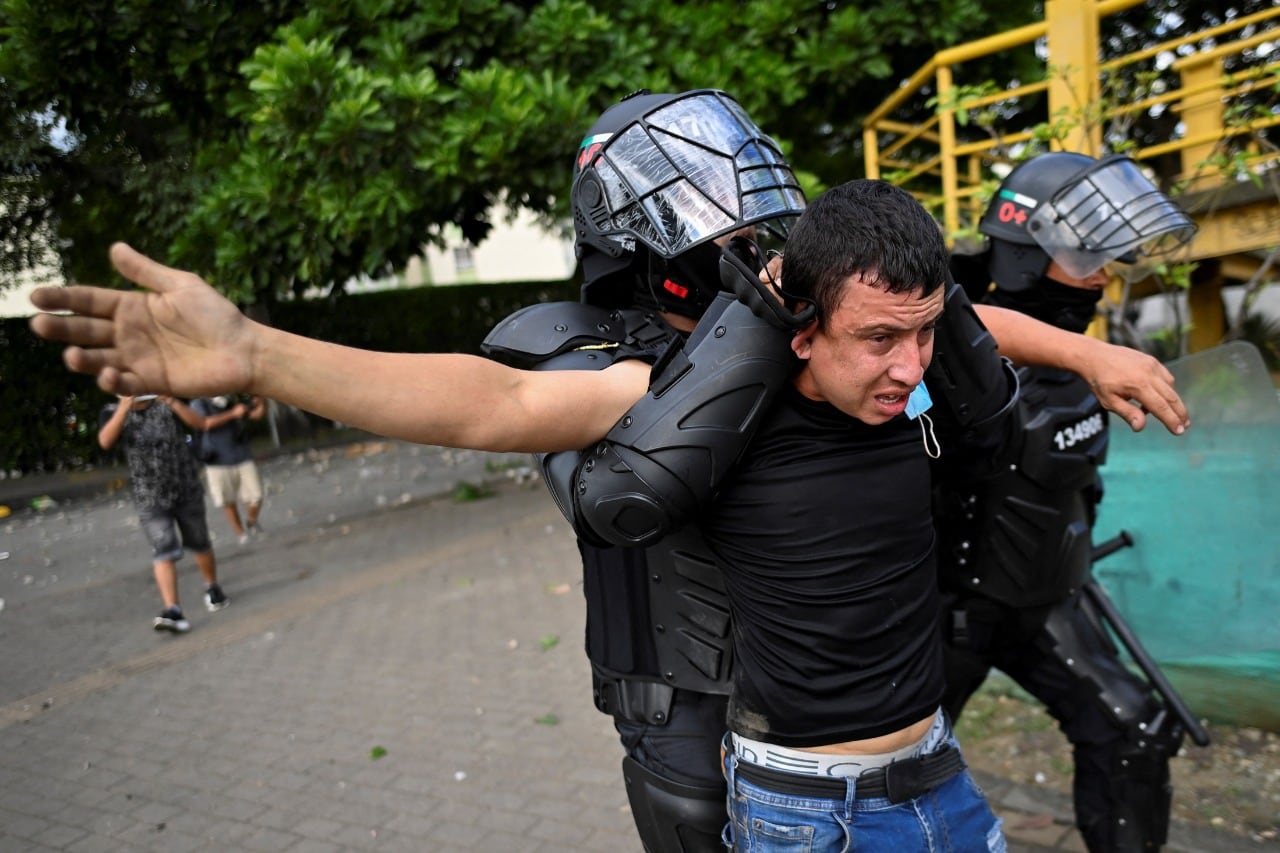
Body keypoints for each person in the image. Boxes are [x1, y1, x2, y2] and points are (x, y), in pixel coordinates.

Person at [29, 121, 1192, 852]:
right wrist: (256, 353)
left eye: (917, 338)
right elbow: (490, 403)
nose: (906, 362)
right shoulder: (686, 387)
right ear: (801, 324)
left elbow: (954, 314)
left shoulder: (908, 343)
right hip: (796, 804)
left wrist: (1091, 351)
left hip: (939, 781)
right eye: (877, 337)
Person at [935, 151, 1202, 853]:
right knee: (889, 771)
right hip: (943, 610)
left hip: (1047, 596)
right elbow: (949, 324)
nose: (1102, 274)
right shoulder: (940, 340)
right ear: (1025, 257)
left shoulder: (1095, 364)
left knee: (1132, 732)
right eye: (1085, 257)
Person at [97, 394, 230, 633]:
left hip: (185, 487)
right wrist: (124, 407)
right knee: (163, 549)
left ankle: (212, 586)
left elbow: (199, 423)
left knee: (199, 541)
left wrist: (172, 402)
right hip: (150, 496)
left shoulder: (166, 404)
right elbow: (105, 441)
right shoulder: (112, 411)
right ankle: (173, 610)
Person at [185, 394, 267, 544]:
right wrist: (232, 414)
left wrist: (261, 399)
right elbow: (204, 423)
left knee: (257, 495)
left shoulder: (233, 398)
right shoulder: (199, 403)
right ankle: (240, 534)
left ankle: (251, 520)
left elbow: (257, 414)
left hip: (241, 453)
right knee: (227, 500)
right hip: (216, 459)